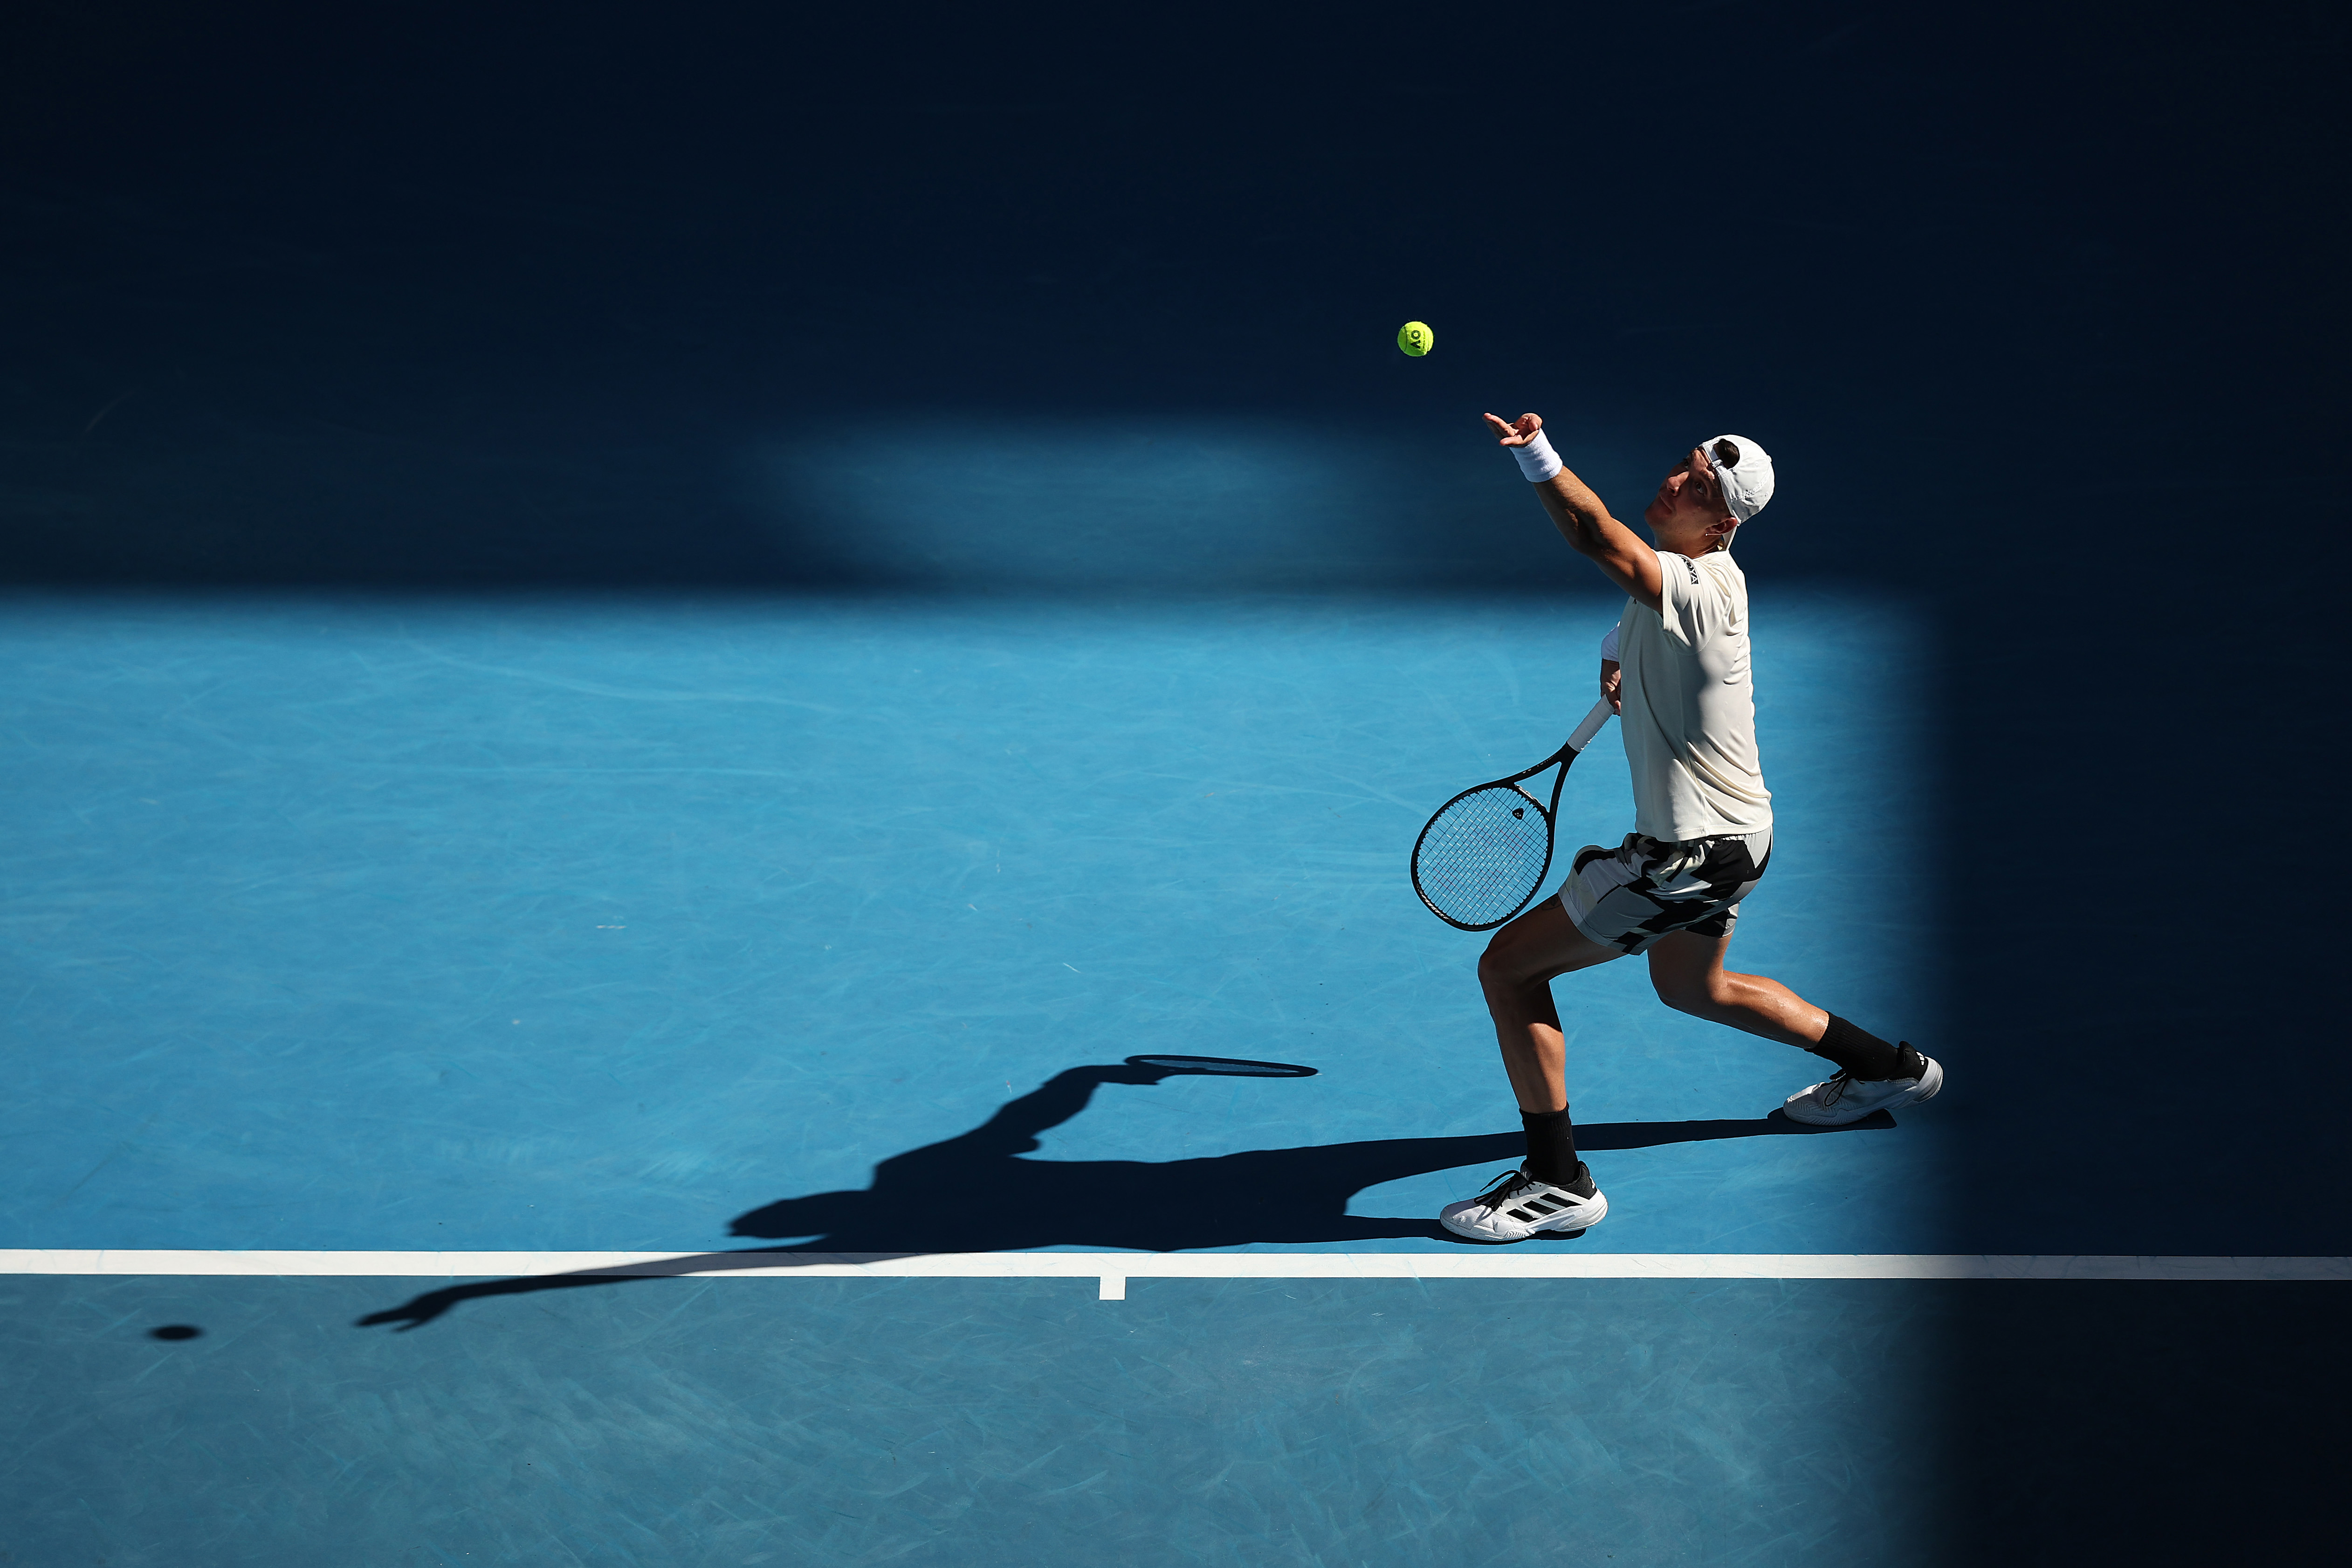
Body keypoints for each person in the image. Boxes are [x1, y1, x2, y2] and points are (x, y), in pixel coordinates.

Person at [1438, 414, 1943, 1243]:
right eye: (1683, 465)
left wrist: (1537, 455)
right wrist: (1616, 645)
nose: (1675, 482)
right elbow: (1637, 603)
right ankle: (1888, 1069)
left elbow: (1595, 536)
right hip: (1740, 843)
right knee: (1692, 988)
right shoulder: (1703, 580)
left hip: (1684, 856)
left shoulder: (1698, 589)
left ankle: (1558, 1183)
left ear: (1721, 525)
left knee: (1510, 971)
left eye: (1698, 487)